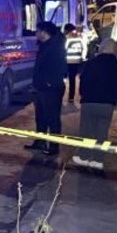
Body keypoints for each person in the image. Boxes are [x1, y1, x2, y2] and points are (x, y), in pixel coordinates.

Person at [73, 38, 117, 170]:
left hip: (90, 102)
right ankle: (98, 160)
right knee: (102, 133)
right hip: (107, 104)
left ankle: (84, 157)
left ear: (101, 48)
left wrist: (83, 94)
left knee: (87, 131)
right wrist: (116, 98)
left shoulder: (91, 64)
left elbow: (83, 80)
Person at [24, 21, 67, 155]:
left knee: (52, 118)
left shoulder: (55, 47)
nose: (36, 34)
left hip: (51, 89)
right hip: (41, 88)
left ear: (44, 32)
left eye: (37, 31)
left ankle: (53, 147)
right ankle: (40, 142)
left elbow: (60, 67)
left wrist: (49, 83)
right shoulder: (45, 45)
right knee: (41, 117)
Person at [63, 23, 83, 104]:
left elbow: (64, 49)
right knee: (73, 79)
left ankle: (66, 95)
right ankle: (71, 96)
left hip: (68, 60)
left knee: (65, 78)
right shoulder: (80, 38)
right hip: (77, 61)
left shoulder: (67, 39)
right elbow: (83, 48)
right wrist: (82, 57)